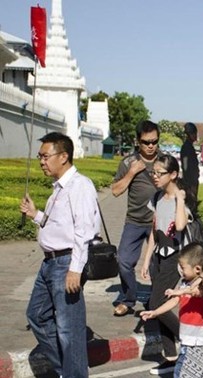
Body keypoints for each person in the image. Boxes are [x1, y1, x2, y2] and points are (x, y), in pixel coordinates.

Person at [20, 132, 100, 377]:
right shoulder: (60, 188)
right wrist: (36, 215)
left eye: (46, 156)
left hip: (66, 263)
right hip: (50, 263)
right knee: (37, 315)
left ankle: (73, 371)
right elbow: (60, 225)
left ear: (63, 156)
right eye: (40, 157)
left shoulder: (80, 186)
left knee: (69, 330)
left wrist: (75, 269)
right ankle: (69, 369)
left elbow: (84, 231)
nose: (42, 161)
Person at [140, 154, 194, 375]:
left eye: (160, 173)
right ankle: (171, 358)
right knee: (158, 304)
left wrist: (180, 199)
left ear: (173, 175)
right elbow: (154, 232)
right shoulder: (156, 198)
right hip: (159, 259)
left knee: (156, 304)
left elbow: (180, 226)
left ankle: (191, 342)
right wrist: (145, 260)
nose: (155, 177)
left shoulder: (179, 201)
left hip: (175, 260)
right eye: (153, 172)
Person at [112, 120, 164, 316]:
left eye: (154, 141)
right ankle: (128, 298)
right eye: (146, 142)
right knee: (123, 261)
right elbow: (115, 191)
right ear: (138, 142)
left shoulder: (164, 161)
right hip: (134, 220)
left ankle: (156, 300)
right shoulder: (127, 163)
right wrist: (132, 172)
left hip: (158, 223)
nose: (151, 146)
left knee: (157, 264)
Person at [140, 243, 203, 378]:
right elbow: (174, 301)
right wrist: (155, 312)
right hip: (186, 341)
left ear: (197, 269)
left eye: (183, 267)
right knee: (180, 372)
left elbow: (194, 292)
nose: (180, 270)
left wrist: (178, 291)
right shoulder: (185, 282)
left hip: (197, 343)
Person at [180, 122, 200, 199]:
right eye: (194, 133)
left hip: (191, 182)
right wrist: (190, 184)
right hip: (190, 183)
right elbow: (186, 167)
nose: (196, 136)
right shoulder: (187, 147)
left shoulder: (189, 147)